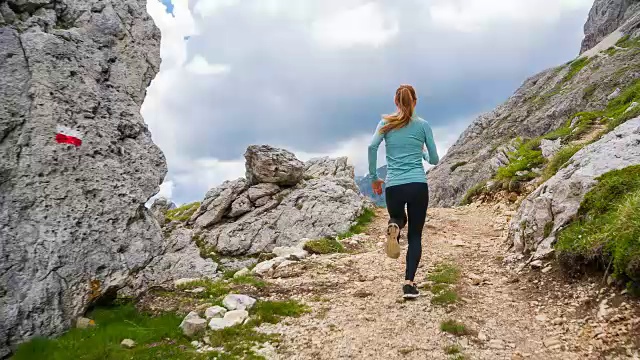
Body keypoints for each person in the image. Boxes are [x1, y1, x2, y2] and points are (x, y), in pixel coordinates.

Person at [367, 84, 439, 299]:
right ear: (415, 101)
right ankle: (409, 284)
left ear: (395, 102)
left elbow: (371, 147)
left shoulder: (386, 123)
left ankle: (395, 226)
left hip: (394, 185)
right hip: (417, 184)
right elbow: (434, 159)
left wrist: (374, 178)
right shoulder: (423, 126)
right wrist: (423, 153)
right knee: (415, 236)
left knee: (398, 217)